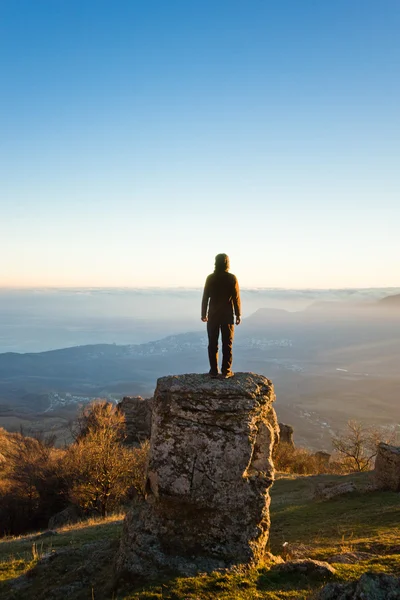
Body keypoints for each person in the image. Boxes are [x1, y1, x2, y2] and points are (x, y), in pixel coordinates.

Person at [201, 253, 241, 378]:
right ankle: (226, 371)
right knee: (227, 344)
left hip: (212, 315)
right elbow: (236, 298)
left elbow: (205, 297)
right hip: (227, 316)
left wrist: (203, 314)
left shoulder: (210, 278)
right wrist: (238, 314)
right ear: (227, 263)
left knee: (212, 344)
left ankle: (213, 371)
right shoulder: (232, 278)